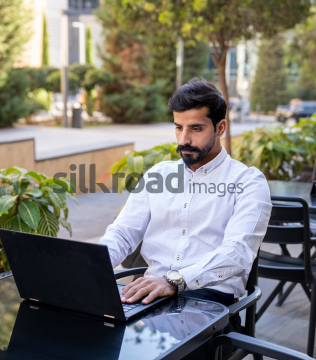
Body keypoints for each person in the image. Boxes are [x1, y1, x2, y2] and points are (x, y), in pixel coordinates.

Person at [99, 78, 272, 310]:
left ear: (220, 128)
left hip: (209, 299)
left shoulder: (248, 182)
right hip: (153, 293)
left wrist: (174, 281)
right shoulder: (158, 175)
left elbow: (237, 254)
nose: (184, 140)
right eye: (179, 127)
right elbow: (122, 233)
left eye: (196, 128)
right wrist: (92, 268)